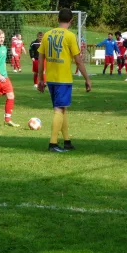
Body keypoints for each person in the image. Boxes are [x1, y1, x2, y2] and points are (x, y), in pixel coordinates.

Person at [37, 8, 91, 153]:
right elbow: (78, 61)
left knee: (63, 108)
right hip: (63, 78)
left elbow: (41, 59)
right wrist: (87, 79)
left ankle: (67, 141)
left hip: (51, 79)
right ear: (71, 21)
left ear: (57, 19)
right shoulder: (70, 36)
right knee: (59, 110)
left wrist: (40, 79)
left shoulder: (47, 35)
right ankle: (53, 143)